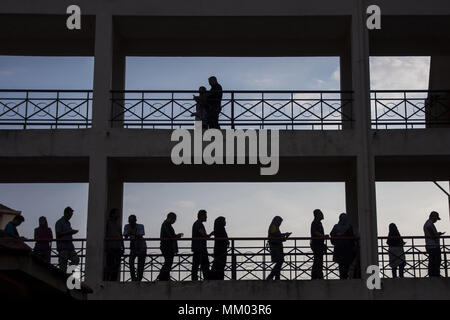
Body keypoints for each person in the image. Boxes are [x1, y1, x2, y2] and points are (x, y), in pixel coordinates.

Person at [158, 212, 183, 281]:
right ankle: (162, 277)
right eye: (174, 219)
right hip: (167, 246)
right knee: (168, 262)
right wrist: (177, 236)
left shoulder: (166, 224)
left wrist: (176, 236)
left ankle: (165, 277)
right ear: (171, 218)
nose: (174, 221)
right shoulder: (166, 224)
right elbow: (170, 236)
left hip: (167, 246)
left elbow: (170, 236)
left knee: (168, 262)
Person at [330, 213, 356, 279]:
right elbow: (352, 238)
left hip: (340, 249)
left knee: (342, 265)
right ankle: (344, 276)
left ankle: (343, 277)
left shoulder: (336, 227)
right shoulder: (349, 226)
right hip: (346, 249)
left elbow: (332, 237)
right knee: (345, 265)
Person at [55, 207, 80, 273]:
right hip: (62, 248)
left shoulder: (68, 223)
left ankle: (69, 273)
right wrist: (69, 232)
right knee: (62, 268)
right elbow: (58, 234)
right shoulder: (59, 222)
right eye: (70, 215)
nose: (70, 217)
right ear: (66, 213)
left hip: (70, 247)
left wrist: (71, 232)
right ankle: (63, 279)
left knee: (76, 259)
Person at [191, 209, 214, 281]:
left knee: (197, 264)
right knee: (204, 264)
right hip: (200, 248)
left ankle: (196, 279)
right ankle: (205, 279)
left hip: (198, 248)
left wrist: (209, 235)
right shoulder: (199, 224)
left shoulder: (197, 223)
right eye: (205, 216)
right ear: (201, 216)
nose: (206, 217)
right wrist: (210, 234)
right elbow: (204, 235)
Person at [266, 216, 291, 280]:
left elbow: (277, 235)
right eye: (279, 222)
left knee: (279, 262)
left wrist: (284, 235)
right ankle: (271, 276)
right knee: (280, 261)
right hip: (276, 247)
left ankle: (276, 277)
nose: (280, 223)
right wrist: (285, 236)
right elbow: (276, 237)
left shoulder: (274, 227)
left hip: (276, 247)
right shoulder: (274, 227)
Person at [124, 215, 147, 281]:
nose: (131, 222)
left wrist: (131, 233)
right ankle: (133, 278)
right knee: (131, 262)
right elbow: (125, 237)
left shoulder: (140, 226)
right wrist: (129, 233)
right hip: (133, 246)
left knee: (141, 264)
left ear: (135, 221)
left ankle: (139, 278)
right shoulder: (127, 226)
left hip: (141, 246)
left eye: (132, 221)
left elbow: (141, 235)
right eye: (130, 221)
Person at [104, 208, 124, 281]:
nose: (118, 214)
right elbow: (105, 234)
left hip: (118, 247)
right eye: (117, 213)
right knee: (110, 263)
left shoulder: (118, 224)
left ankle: (113, 280)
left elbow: (121, 235)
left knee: (117, 265)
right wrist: (106, 246)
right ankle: (107, 279)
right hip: (111, 247)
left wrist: (123, 246)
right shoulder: (108, 223)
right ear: (112, 214)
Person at [423, 211, 444, 277]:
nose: (436, 220)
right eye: (436, 218)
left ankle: (433, 274)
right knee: (436, 260)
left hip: (431, 245)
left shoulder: (428, 223)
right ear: (433, 217)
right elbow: (432, 234)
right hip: (433, 245)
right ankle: (434, 274)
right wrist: (437, 236)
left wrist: (436, 234)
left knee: (433, 260)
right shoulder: (429, 224)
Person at [310, 209, 327, 280]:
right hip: (316, 244)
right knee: (318, 260)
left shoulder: (318, 222)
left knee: (318, 260)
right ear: (317, 215)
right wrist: (322, 236)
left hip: (319, 244)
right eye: (320, 213)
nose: (322, 214)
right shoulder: (315, 222)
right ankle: (317, 276)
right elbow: (314, 232)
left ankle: (317, 275)